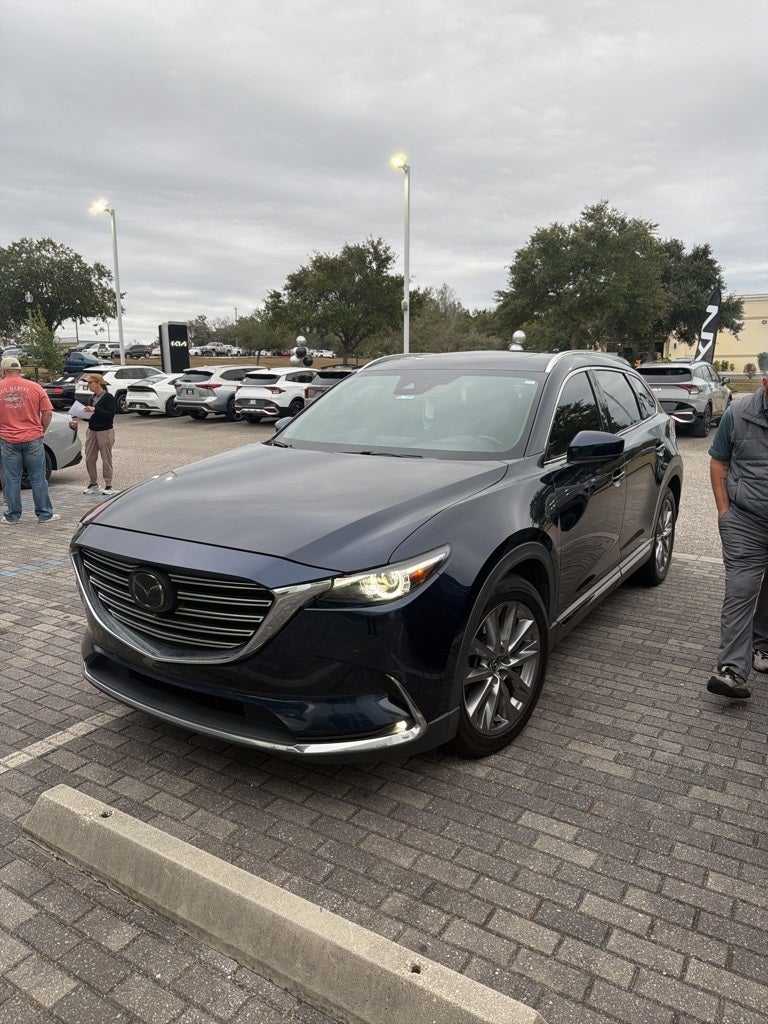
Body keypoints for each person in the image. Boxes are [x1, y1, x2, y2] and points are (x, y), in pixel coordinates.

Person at [706, 375, 768, 700]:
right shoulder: (738, 413)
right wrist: (724, 513)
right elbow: (718, 462)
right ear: (765, 380)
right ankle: (730, 670)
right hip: (745, 521)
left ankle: (763, 646)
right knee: (741, 589)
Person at [0, 355, 60, 524]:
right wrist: (41, 430)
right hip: (33, 438)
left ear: (3, 371)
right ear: (19, 371)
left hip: (8, 440)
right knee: (38, 477)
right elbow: (47, 412)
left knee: (11, 478)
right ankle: (44, 514)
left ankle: (12, 516)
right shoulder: (35, 387)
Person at [70, 373, 117, 495]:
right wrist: (82, 415)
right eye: (88, 383)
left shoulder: (108, 397)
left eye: (91, 383)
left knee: (106, 458)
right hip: (92, 430)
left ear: (98, 383)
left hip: (105, 431)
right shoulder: (91, 398)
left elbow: (110, 415)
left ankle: (108, 485)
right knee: (89, 457)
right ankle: (93, 483)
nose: (89, 385)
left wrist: (95, 409)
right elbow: (91, 417)